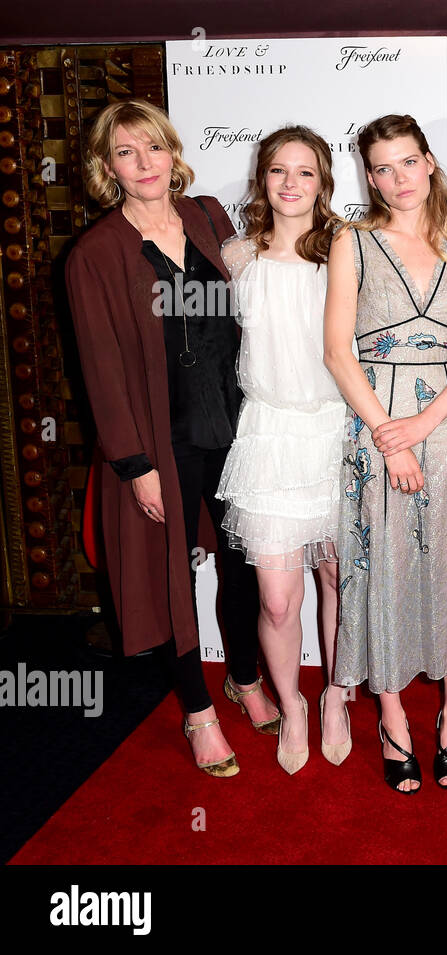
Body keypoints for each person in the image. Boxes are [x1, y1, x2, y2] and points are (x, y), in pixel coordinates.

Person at [65, 99, 274, 776]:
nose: (144, 163)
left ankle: (244, 676)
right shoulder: (94, 254)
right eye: (126, 153)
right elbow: (98, 369)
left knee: (245, 564)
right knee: (171, 580)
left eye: (153, 148)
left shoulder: (208, 214)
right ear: (106, 168)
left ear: (172, 152)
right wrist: (135, 465)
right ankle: (198, 713)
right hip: (164, 438)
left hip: (236, 426)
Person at [323, 114, 447, 793]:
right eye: (382, 167)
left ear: (430, 162)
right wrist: (387, 431)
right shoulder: (355, 242)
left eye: (408, 162)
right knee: (388, 566)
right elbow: (338, 352)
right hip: (376, 420)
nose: (398, 178)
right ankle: (393, 715)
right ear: (368, 177)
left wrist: (428, 421)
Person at [214, 126, 352, 775]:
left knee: (339, 582)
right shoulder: (236, 257)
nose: (291, 183)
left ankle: (336, 697)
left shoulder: (346, 251)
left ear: (324, 182)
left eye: (305, 172)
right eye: (279, 171)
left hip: (336, 431)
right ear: (262, 180)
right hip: (268, 436)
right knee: (277, 597)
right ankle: (291, 703)